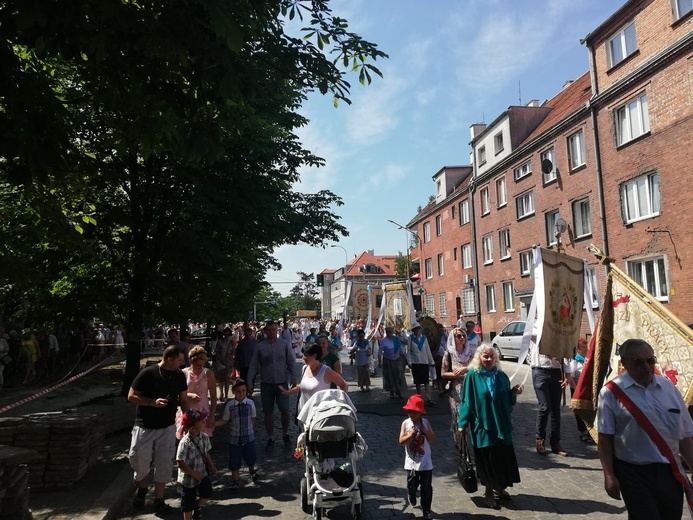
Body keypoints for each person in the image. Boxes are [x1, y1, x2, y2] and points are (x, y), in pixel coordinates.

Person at [597, 338, 693, 520]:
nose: (647, 367)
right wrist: (609, 475)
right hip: (633, 473)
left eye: (650, 360)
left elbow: (684, 435)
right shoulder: (610, 393)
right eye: (638, 362)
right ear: (624, 362)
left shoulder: (669, 389)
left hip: (669, 471)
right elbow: (604, 439)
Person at [458, 344, 523, 509]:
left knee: (501, 457)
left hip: (501, 424)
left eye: (491, 356)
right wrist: (462, 424)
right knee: (488, 458)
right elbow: (467, 401)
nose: (488, 359)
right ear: (479, 358)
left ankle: (499, 488)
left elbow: (507, 402)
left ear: (496, 358)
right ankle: (488, 492)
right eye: (485, 356)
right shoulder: (472, 376)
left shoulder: (501, 376)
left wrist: (513, 392)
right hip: (483, 426)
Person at [128, 345, 189, 512]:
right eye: (179, 360)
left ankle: (159, 499)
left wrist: (188, 419)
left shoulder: (179, 376)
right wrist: (151, 402)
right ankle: (142, 488)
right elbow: (131, 395)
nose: (182, 363)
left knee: (164, 463)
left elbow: (183, 399)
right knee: (139, 461)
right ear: (170, 359)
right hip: (145, 426)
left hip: (167, 426)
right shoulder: (148, 373)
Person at [247, 320, 296, 447]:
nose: (271, 332)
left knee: (285, 410)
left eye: (273, 330)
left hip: (282, 382)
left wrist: (294, 377)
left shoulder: (284, 344)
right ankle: (270, 436)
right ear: (265, 331)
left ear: (277, 330)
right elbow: (253, 365)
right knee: (267, 411)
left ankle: (285, 433)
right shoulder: (260, 346)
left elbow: (291, 361)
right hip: (266, 383)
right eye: (269, 330)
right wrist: (249, 381)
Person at [280, 343, 348, 420]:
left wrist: (340, 401)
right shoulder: (305, 368)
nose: (303, 357)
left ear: (314, 356)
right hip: (304, 413)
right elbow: (303, 385)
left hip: (320, 416)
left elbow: (343, 385)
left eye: (306, 355)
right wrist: (289, 392)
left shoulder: (326, 371)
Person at [215, 379, 259, 492]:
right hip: (235, 438)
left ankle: (252, 469)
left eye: (243, 390)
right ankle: (235, 480)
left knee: (251, 456)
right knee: (234, 459)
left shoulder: (250, 403)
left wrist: (252, 429)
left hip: (248, 436)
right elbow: (225, 420)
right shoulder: (230, 406)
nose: (241, 393)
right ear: (234, 392)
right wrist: (214, 424)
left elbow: (253, 418)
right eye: (238, 391)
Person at [529, 328, 568, 457]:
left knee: (556, 410)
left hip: (556, 371)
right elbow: (530, 334)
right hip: (540, 371)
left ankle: (555, 443)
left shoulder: (559, 328)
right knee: (545, 407)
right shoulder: (536, 327)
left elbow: (565, 352)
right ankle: (540, 439)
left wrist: (566, 375)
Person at [399, 394, 436, 520]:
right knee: (412, 485)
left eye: (415, 412)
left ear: (420, 412)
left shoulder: (426, 423)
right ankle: (412, 494)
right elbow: (401, 441)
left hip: (425, 463)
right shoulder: (405, 423)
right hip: (411, 463)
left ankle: (426, 510)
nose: (412, 414)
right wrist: (411, 435)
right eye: (409, 411)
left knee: (426, 487)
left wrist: (425, 431)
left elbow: (432, 439)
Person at [176, 410, 217, 520]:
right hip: (188, 479)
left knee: (207, 493)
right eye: (200, 421)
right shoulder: (185, 443)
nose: (204, 422)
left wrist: (211, 466)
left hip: (202, 473)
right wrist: (193, 473)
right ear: (192, 428)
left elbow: (206, 453)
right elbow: (180, 462)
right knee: (187, 506)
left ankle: (197, 506)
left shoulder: (204, 437)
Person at [175, 347, 217, 439]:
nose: (200, 367)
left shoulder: (208, 373)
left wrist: (212, 416)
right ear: (191, 361)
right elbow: (176, 394)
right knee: (187, 440)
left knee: (202, 441)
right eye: (198, 365)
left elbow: (213, 396)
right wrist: (189, 395)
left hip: (202, 411)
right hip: (187, 410)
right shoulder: (183, 373)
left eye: (202, 365)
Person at [441, 327, 472, 447]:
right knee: (458, 417)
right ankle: (460, 444)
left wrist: (466, 369)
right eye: (459, 336)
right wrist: (455, 374)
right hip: (455, 391)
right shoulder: (448, 354)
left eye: (463, 335)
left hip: (469, 389)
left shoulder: (470, 353)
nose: (462, 338)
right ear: (453, 339)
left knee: (469, 416)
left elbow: (476, 367)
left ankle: (465, 441)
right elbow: (443, 373)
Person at [564, 338, 592, 443]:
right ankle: (582, 432)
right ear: (578, 349)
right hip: (577, 388)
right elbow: (570, 376)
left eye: (586, 347)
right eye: (582, 347)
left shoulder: (587, 359)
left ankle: (590, 431)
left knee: (588, 410)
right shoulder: (575, 359)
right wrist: (576, 389)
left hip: (587, 388)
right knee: (579, 411)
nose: (585, 349)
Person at [405, 321, 436, 406]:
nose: (418, 330)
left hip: (424, 361)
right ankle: (419, 398)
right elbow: (408, 351)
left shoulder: (424, 338)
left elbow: (427, 350)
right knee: (418, 382)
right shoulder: (410, 338)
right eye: (416, 329)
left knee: (426, 381)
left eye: (419, 328)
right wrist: (409, 362)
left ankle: (429, 398)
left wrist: (431, 361)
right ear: (413, 330)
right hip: (415, 362)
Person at [379, 327, 406, 399]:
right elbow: (380, 352)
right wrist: (379, 362)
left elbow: (401, 349)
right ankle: (391, 391)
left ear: (392, 332)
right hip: (388, 361)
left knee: (398, 376)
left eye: (390, 331)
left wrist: (406, 358)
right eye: (387, 332)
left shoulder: (396, 339)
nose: (389, 333)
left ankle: (398, 390)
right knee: (390, 377)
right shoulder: (383, 341)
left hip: (397, 360)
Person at [214, 328, 234, 402]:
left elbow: (233, 352)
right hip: (220, 362)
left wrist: (228, 360)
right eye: (225, 334)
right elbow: (216, 351)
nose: (227, 336)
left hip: (228, 363)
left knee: (227, 379)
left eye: (228, 335)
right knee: (220, 379)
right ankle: (221, 394)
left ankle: (226, 395)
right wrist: (222, 360)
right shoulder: (220, 342)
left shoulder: (231, 342)